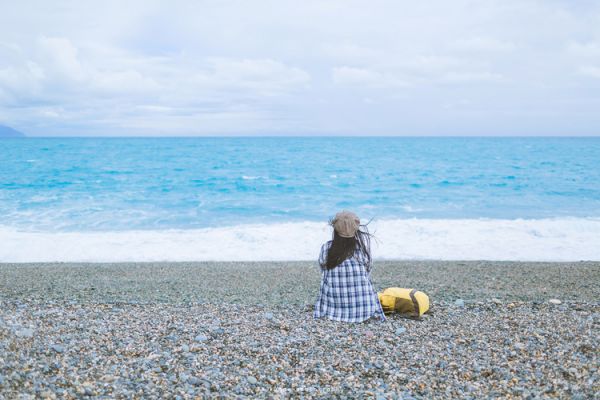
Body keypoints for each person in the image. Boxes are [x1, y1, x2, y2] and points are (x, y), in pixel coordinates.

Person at [314, 211, 386, 322]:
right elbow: (368, 271)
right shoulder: (362, 249)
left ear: (335, 228)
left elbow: (323, 270)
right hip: (364, 310)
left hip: (333, 311)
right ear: (356, 228)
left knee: (327, 278)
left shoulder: (326, 248)